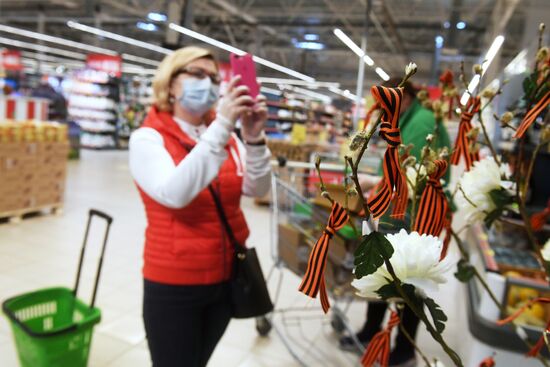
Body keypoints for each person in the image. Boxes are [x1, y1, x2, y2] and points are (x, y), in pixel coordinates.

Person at [129, 46, 271, 367]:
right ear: (170, 83)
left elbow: (257, 188)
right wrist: (222, 126)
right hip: (175, 283)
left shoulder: (226, 138)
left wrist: (253, 137)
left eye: (213, 77)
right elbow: (175, 194)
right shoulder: (147, 139)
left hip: (225, 277)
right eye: (195, 74)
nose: (206, 83)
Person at [340, 77, 451, 367]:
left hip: (411, 217)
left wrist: (375, 182)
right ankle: (371, 333)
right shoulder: (408, 119)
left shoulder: (422, 122)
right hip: (395, 214)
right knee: (382, 276)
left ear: (398, 99)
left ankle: (403, 349)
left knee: (409, 283)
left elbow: (414, 175)